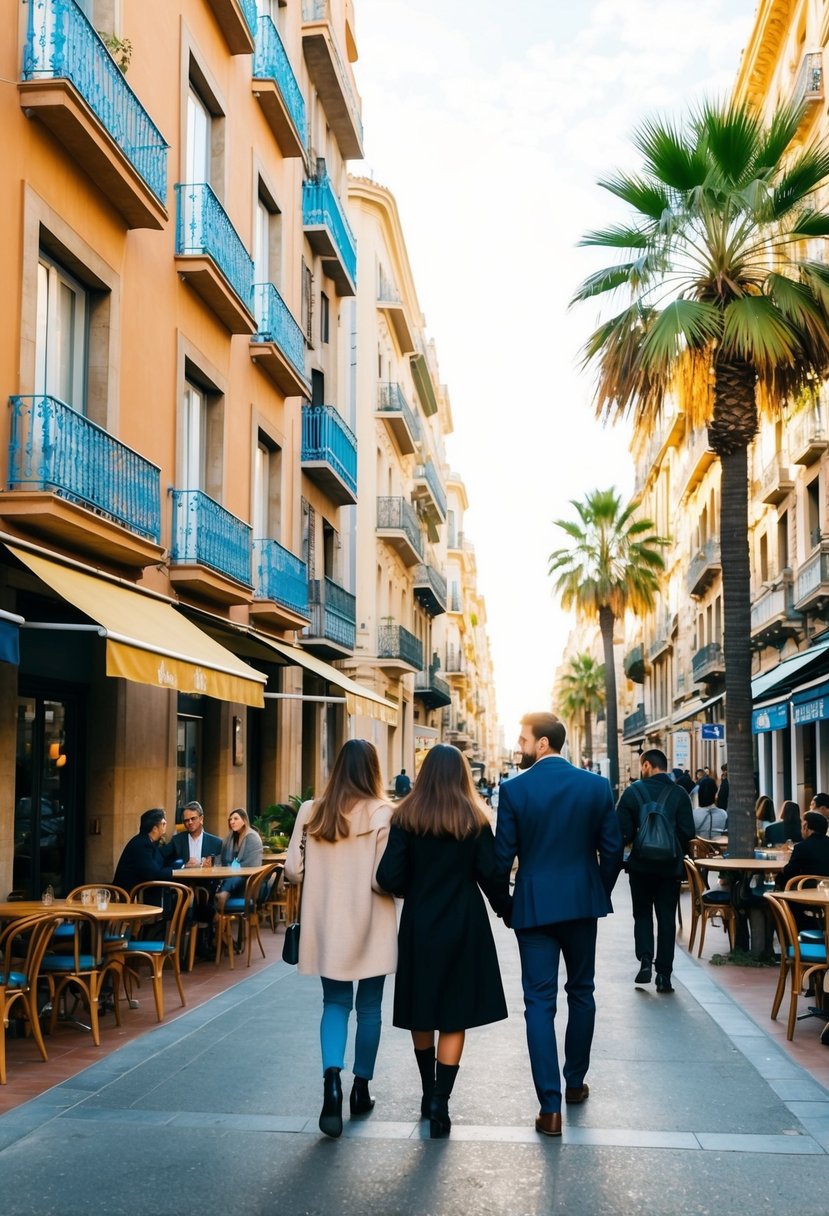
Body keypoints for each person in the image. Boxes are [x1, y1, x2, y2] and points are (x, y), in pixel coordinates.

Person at [494, 712, 623, 1138]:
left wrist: (508, 906)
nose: (518, 746)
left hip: (533, 908)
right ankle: (575, 1082)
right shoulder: (596, 787)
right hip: (581, 905)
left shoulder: (514, 790)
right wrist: (595, 890)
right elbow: (613, 851)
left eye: (523, 739)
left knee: (538, 1003)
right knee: (582, 992)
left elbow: (500, 860)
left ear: (543, 743)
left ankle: (549, 1109)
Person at [376, 744, 510, 1139]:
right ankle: (441, 1101)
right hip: (464, 923)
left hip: (420, 924)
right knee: (454, 1014)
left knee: (422, 1009)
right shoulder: (473, 819)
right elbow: (490, 874)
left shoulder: (405, 818)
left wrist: (412, 887)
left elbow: (388, 876)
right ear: (462, 776)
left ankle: (426, 1091)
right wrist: (508, 911)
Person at [285, 739, 397, 1139]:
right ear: (373, 770)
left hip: (327, 924)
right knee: (369, 1008)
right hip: (371, 923)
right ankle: (360, 1089)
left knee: (334, 1003)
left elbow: (293, 871)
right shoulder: (384, 812)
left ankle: (331, 1081)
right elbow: (383, 880)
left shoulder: (311, 811)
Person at [617, 749, 695, 994]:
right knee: (666, 918)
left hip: (640, 866)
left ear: (647, 765)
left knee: (642, 914)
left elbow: (622, 832)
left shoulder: (632, 793)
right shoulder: (679, 794)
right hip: (669, 868)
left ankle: (644, 960)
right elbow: (688, 832)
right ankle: (664, 975)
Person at [113, 809, 175, 891]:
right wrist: (175, 872)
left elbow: (160, 863)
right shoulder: (142, 844)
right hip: (127, 896)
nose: (165, 825)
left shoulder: (148, 842)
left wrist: (181, 866)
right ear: (155, 828)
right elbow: (154, 874)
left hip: (137, 893)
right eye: (163, 823)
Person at [215, 809, 263, 913]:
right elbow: (222, 859)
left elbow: (250, 866)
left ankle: (223, 894)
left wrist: (231, 870)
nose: (232, 822)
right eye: (230, 819)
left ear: (244, 820)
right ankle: (215, 913)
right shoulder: (230, 837)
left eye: (236, 819)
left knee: (235, 877)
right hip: (231, 876)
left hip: (248, 881)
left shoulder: (252, 838)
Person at [776, 811, 829, 888]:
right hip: (827, 890)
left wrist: (781, 872)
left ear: (805, 826)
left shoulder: (801, 847)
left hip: (806, 890)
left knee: (780, 879)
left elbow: (790, 871)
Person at [164, 801, 222, 868]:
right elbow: (165, 862)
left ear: (201, 819)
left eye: (193, 818)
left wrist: (203, 866)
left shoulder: (216, 843)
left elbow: (221, 867)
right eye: (186, 820)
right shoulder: (176, 841)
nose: (190, 822)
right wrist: (184, 866)